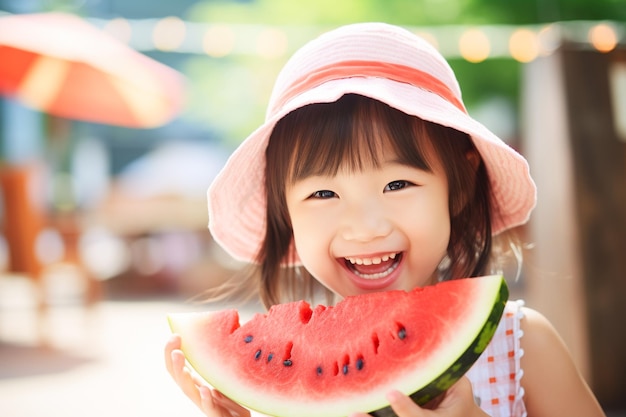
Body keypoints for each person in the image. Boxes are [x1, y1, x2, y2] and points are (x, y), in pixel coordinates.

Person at [165, 22, 606, 417]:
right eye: (323, 193)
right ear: (286, 212)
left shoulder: (521, 345)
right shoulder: (287, 379)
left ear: (461, 186)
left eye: (397, 185)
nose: (366, 227)